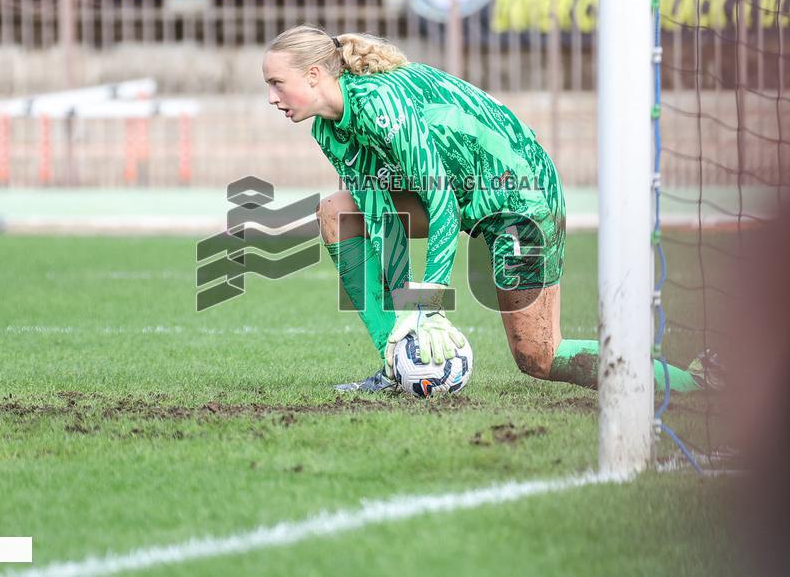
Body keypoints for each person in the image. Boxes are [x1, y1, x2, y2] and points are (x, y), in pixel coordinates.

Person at [262, 25, 704, 393]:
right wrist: (407, 316)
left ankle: (697, 386)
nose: (271, 97)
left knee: (539, 357)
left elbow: (441, 204)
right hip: (466, 196)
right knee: (340, 213)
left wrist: (428, 305)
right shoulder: (327, 130)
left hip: (520, 197)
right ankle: (399, 363)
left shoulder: (380, 104)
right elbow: (381, 216)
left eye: (276, 83)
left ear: (316, 74)